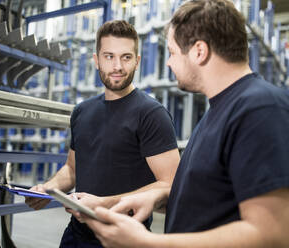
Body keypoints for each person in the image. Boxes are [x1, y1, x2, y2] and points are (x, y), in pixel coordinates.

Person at [78, 1, 289, 248]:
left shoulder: (262, 110)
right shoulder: (220, 112)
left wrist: (146, 243)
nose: (168, 63)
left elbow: (274, 236)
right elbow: (211, 199)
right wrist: (157, 197)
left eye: (172, 52)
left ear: (199, 51)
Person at [25, 20, 180, 248]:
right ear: (96, 60)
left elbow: (171, 182)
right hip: (76, 234)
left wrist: (105, 203)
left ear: (137, 62)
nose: (117, 66)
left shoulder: (151, 114)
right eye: (109, 56)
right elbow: (72, 169)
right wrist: (48, 189)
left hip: (124, 237)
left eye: (126, 57)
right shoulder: (82, 111)